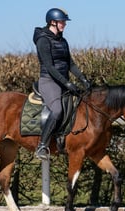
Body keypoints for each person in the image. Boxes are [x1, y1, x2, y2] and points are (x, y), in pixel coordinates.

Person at [33, 8, 91, 160]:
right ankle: (42, 145)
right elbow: (50, 67)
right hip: (49, 81)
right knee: (57, 110)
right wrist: (67, 83)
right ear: (53, 22)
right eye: (62, 22)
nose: (64, 24)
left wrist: (82, 79)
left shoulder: (62, 40)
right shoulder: (43, 40)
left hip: (63, 81)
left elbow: (70, 63)